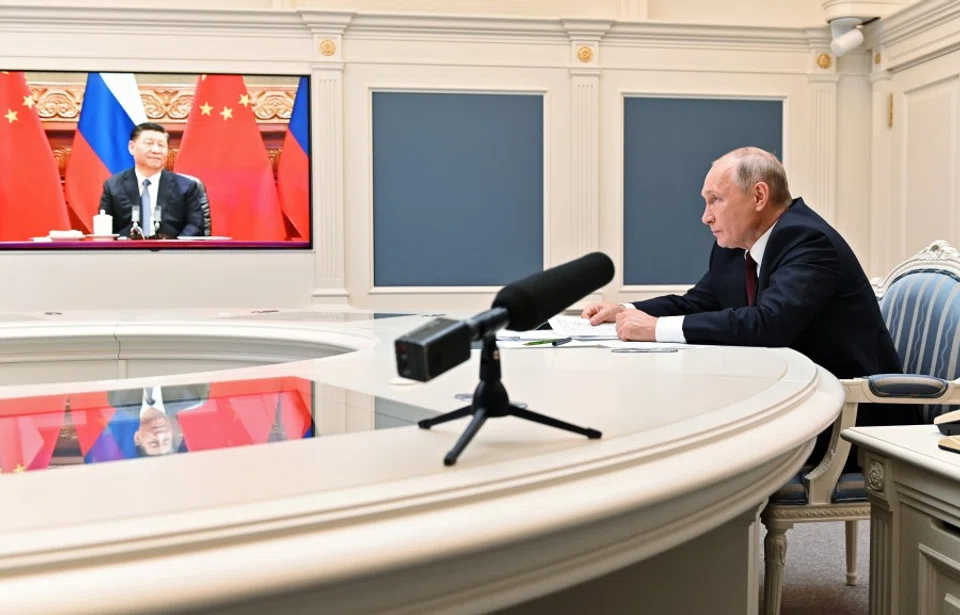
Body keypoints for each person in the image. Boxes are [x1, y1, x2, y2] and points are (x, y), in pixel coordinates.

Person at [582, 146, 920, 468]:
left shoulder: (808, 241)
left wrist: (654, 329)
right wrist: (624, 310)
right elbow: (698, 302)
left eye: (715, 200)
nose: (705, 216)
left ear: (759, 196)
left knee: (684, 439)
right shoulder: (735, 246)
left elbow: (769, 325)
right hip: (791, 397)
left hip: (847, 417)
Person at [98, 122, 205, 239]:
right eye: (149, 143)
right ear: (132, 147)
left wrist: (175, 245)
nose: (156, 150)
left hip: (172, 248)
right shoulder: (113, 185)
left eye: (161, 145)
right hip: (127, 249)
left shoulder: (186, 186)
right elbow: (105, 229)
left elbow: (196, 225)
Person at [106, 383, 210, 457]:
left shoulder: (118, 400)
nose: (160, 435)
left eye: (154, 442)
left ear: (137, 438)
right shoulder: (194, 396)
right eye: (166, 440)